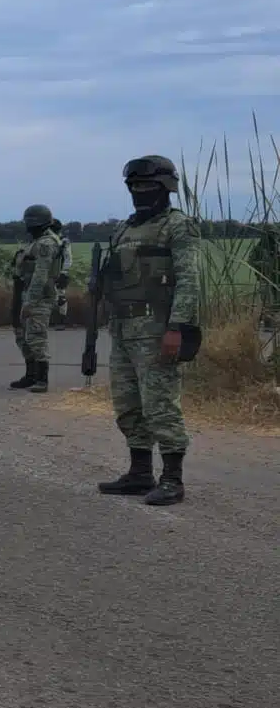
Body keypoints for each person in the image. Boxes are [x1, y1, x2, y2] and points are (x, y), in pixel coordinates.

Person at [96, 155, 202, 506]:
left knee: (159, 404)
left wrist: (177, 328)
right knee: (128, 404)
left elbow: (189, 280)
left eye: (148, 187)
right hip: (124, 328)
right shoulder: (124, 229)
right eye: (135, 187)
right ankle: (139, 473)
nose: (140, 193)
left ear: (166, 188)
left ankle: (172, 479)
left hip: (157, 329)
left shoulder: (177, 226)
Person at [8, 204, 65, 392]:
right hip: (25, 292)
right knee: (21, 335)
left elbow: (40, 275)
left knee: (36, 336)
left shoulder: (46, 244)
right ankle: (30, 374)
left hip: (40, 297)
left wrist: (30, 302)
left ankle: (42, 378)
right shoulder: (35, 242)